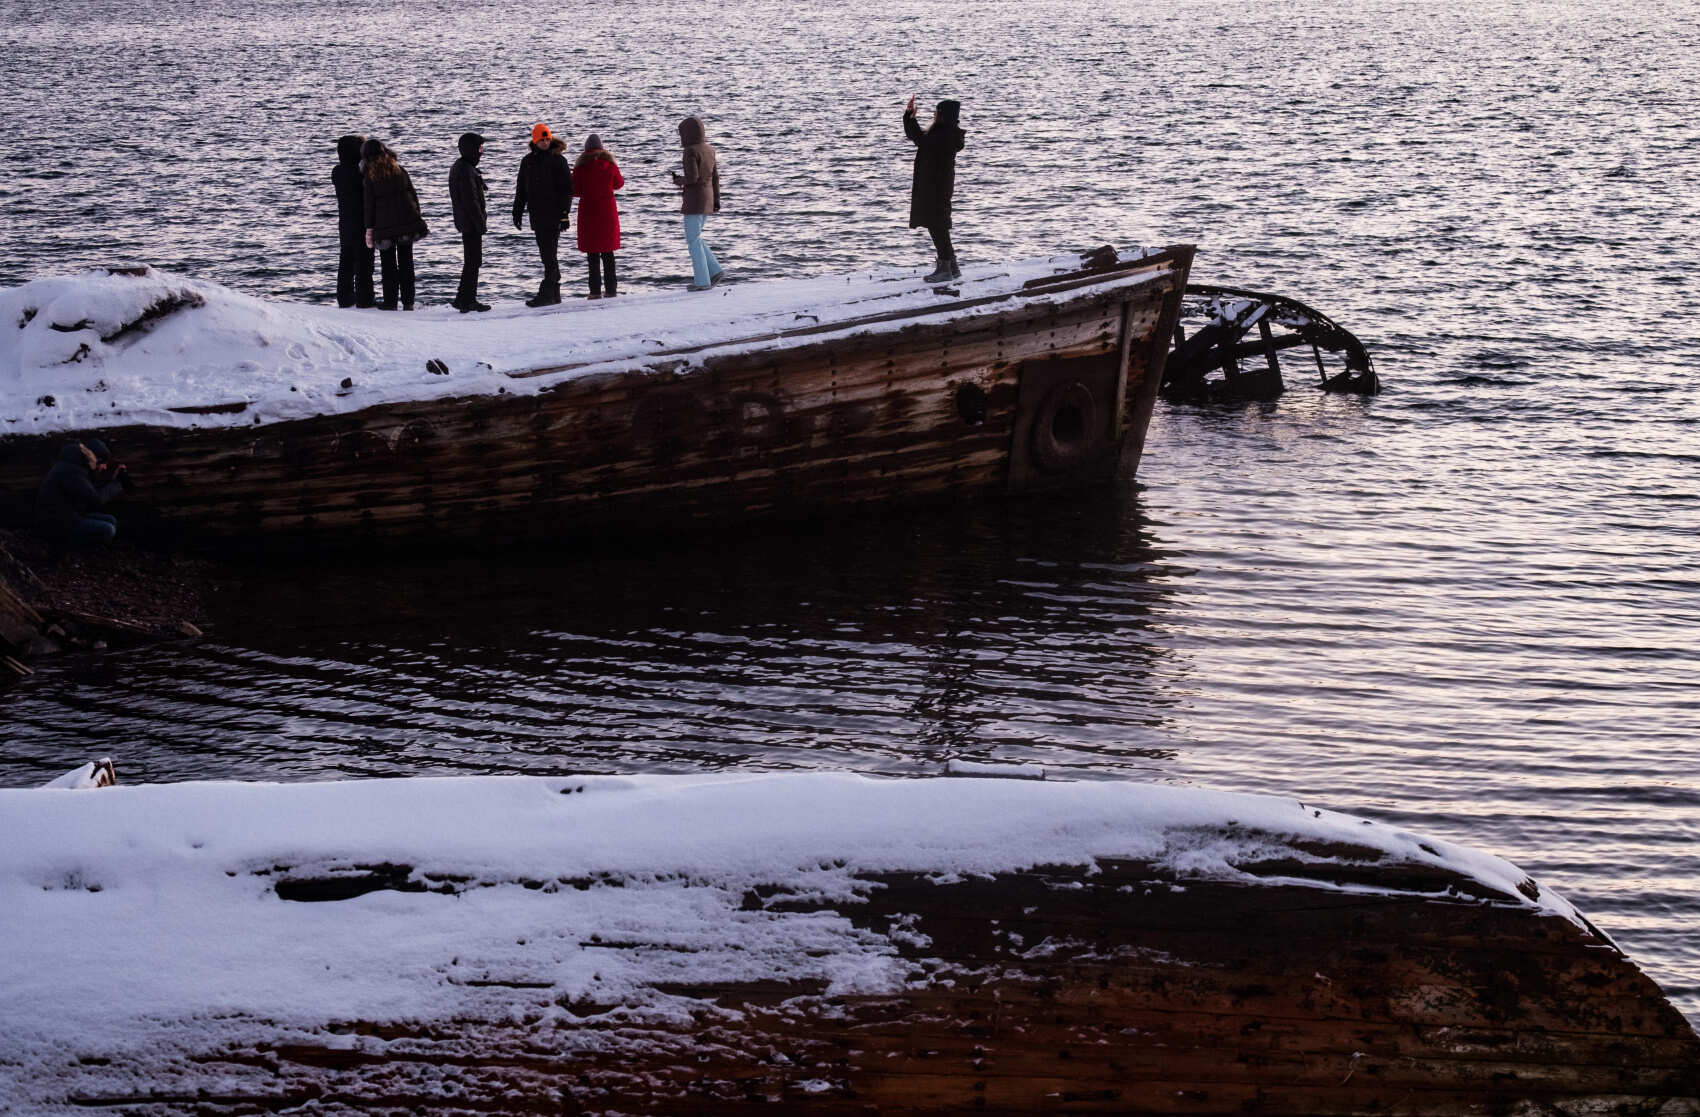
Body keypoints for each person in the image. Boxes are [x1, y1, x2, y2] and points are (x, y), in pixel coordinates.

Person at [903, 96, 965, 283]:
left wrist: (910, 118)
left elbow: (921, 140)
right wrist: (909, 117)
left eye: (936, 112)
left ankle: (946, 267)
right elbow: (920, 139)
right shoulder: (945, 133)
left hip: (935, 188)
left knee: (938, 227)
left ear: (943, 116)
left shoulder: (943, 134)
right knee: (938, 226)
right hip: (937, 186)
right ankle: (952, 266)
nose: (933, 114)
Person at [362, 139, 428, 311]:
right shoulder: (399, 169)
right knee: (407, 263)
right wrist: (416, 216)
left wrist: (369, 228)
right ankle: (408, 302)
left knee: (388, 265)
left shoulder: (371, 176)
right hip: (406, 223)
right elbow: (413, 195)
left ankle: (390, 302)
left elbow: (369, 206)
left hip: (384, 227)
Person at [512, 123, 573, 307]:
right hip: (536, 214)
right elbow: (521, 188)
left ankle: (547, 293)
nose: (545, 143)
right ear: (535, 140)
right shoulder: (527, 161)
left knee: (549, 254)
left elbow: (567, 190)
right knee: (546, 253)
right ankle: (554, 293)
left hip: (553, 214)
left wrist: (564, 214)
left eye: (547, 139)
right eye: (541, 140)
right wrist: (517, 210)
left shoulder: (558, 160)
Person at [34, 440, 131, 550]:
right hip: (57, 525)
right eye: (102, 463)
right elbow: (96, 500)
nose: (104, 467)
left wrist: (112, 480)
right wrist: (118, 483)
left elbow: (88, 489)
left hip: (69, 516)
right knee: (108, 529)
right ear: (93, 459)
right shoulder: (72, 473)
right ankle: (68, 547)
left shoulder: (74, 465)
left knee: (111, 520)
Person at [671, 116, 723, 291]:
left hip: (694, 200)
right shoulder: (710, 149)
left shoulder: (690, 151)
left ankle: (703, 281)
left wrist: (679, 181)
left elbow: (692, 178)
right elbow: (715, 178)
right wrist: (716, 201)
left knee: (692, 240)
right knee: (696, 238)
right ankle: (715, 270)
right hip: (708, 199)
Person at [573, 134, 624, 299]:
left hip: (588, 212)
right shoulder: (609, 164)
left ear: (586, 149)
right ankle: (611, 290)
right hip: (607, 212)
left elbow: (575, 190)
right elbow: (619, 184)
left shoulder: (581, 166)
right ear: (601, 148)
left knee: (592, 255)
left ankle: (595, 292)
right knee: (608, 254)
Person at [332, 134, 375, 308]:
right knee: (364, 263)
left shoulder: (337, 171)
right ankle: (365, 299)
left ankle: (344, 297)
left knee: (346, 261)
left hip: (345, 222)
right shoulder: (361, 173)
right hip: (363, 223)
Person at [449, 131, 490, 312]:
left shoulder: (463, 167)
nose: (482, 152)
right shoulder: (465, 171)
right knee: (473, 261)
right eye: (480, 148)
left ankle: (462, 297)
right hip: (470, 223)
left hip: (467, 222)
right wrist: (480, 223)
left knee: (472, 261)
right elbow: (471, 201)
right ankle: (467, 299)